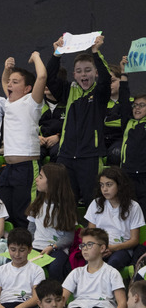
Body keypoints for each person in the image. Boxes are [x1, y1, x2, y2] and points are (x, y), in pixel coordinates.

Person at [46, 34, 110, 204]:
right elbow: (50, 78)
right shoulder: (68, 91)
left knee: (94, 202)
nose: (84, 75)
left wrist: (96, 52)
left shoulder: (99, 93)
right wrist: (57, 54)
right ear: (74, 74)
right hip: (66, 156)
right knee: (65, 203)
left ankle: (93, 232)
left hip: (90, 156)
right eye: (79, 71)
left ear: (95, 73)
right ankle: (70, 232)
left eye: (88, 70)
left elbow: (106, 79)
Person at [0, 51, 48, 229]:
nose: (9, 85)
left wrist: (35, 57)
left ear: (27, 88)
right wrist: (7, 70)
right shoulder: (9, 102)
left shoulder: (31, 102)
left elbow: (42, 76)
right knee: (6, 213)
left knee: (24, 215)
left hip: (26, 168)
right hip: (8, 168)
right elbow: (5, 81)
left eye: (15, 81)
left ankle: (30, 249)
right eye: (10, 82)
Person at [26, 164, 80, 280]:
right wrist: (27, 245)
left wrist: (52, 247)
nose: (36, 179)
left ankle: (57, 294)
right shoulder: (37, 203)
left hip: (57, 248)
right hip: (36, 247)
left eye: (40, 177)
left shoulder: (66, 207)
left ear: (52, 182)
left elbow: (68, 237)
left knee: (56, 267)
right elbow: (31, 229)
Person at [85, 167, 144, 269]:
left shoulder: (133, 206)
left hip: (122, 248)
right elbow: (91, 234)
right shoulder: (96, 203)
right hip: (99, 247)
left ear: (119, 186)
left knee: (113, 263)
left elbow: (134, 240)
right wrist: (100, 248)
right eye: (102, 185)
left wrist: (113, 248)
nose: (104, 189)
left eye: (109, 184)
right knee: (91, 264)